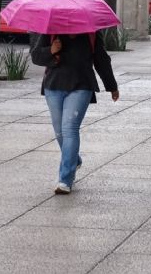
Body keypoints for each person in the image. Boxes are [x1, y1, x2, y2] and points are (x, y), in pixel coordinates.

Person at [30, 32, 119, 194]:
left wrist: (111, 85)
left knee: (69, 128)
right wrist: (51, 50)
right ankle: (73, 159)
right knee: (59, 132)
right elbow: (36, 56)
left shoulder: (91, 32)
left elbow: (101, 59)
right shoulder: (51, 30)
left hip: (81, 85)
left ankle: (65, 180)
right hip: (53, 86)